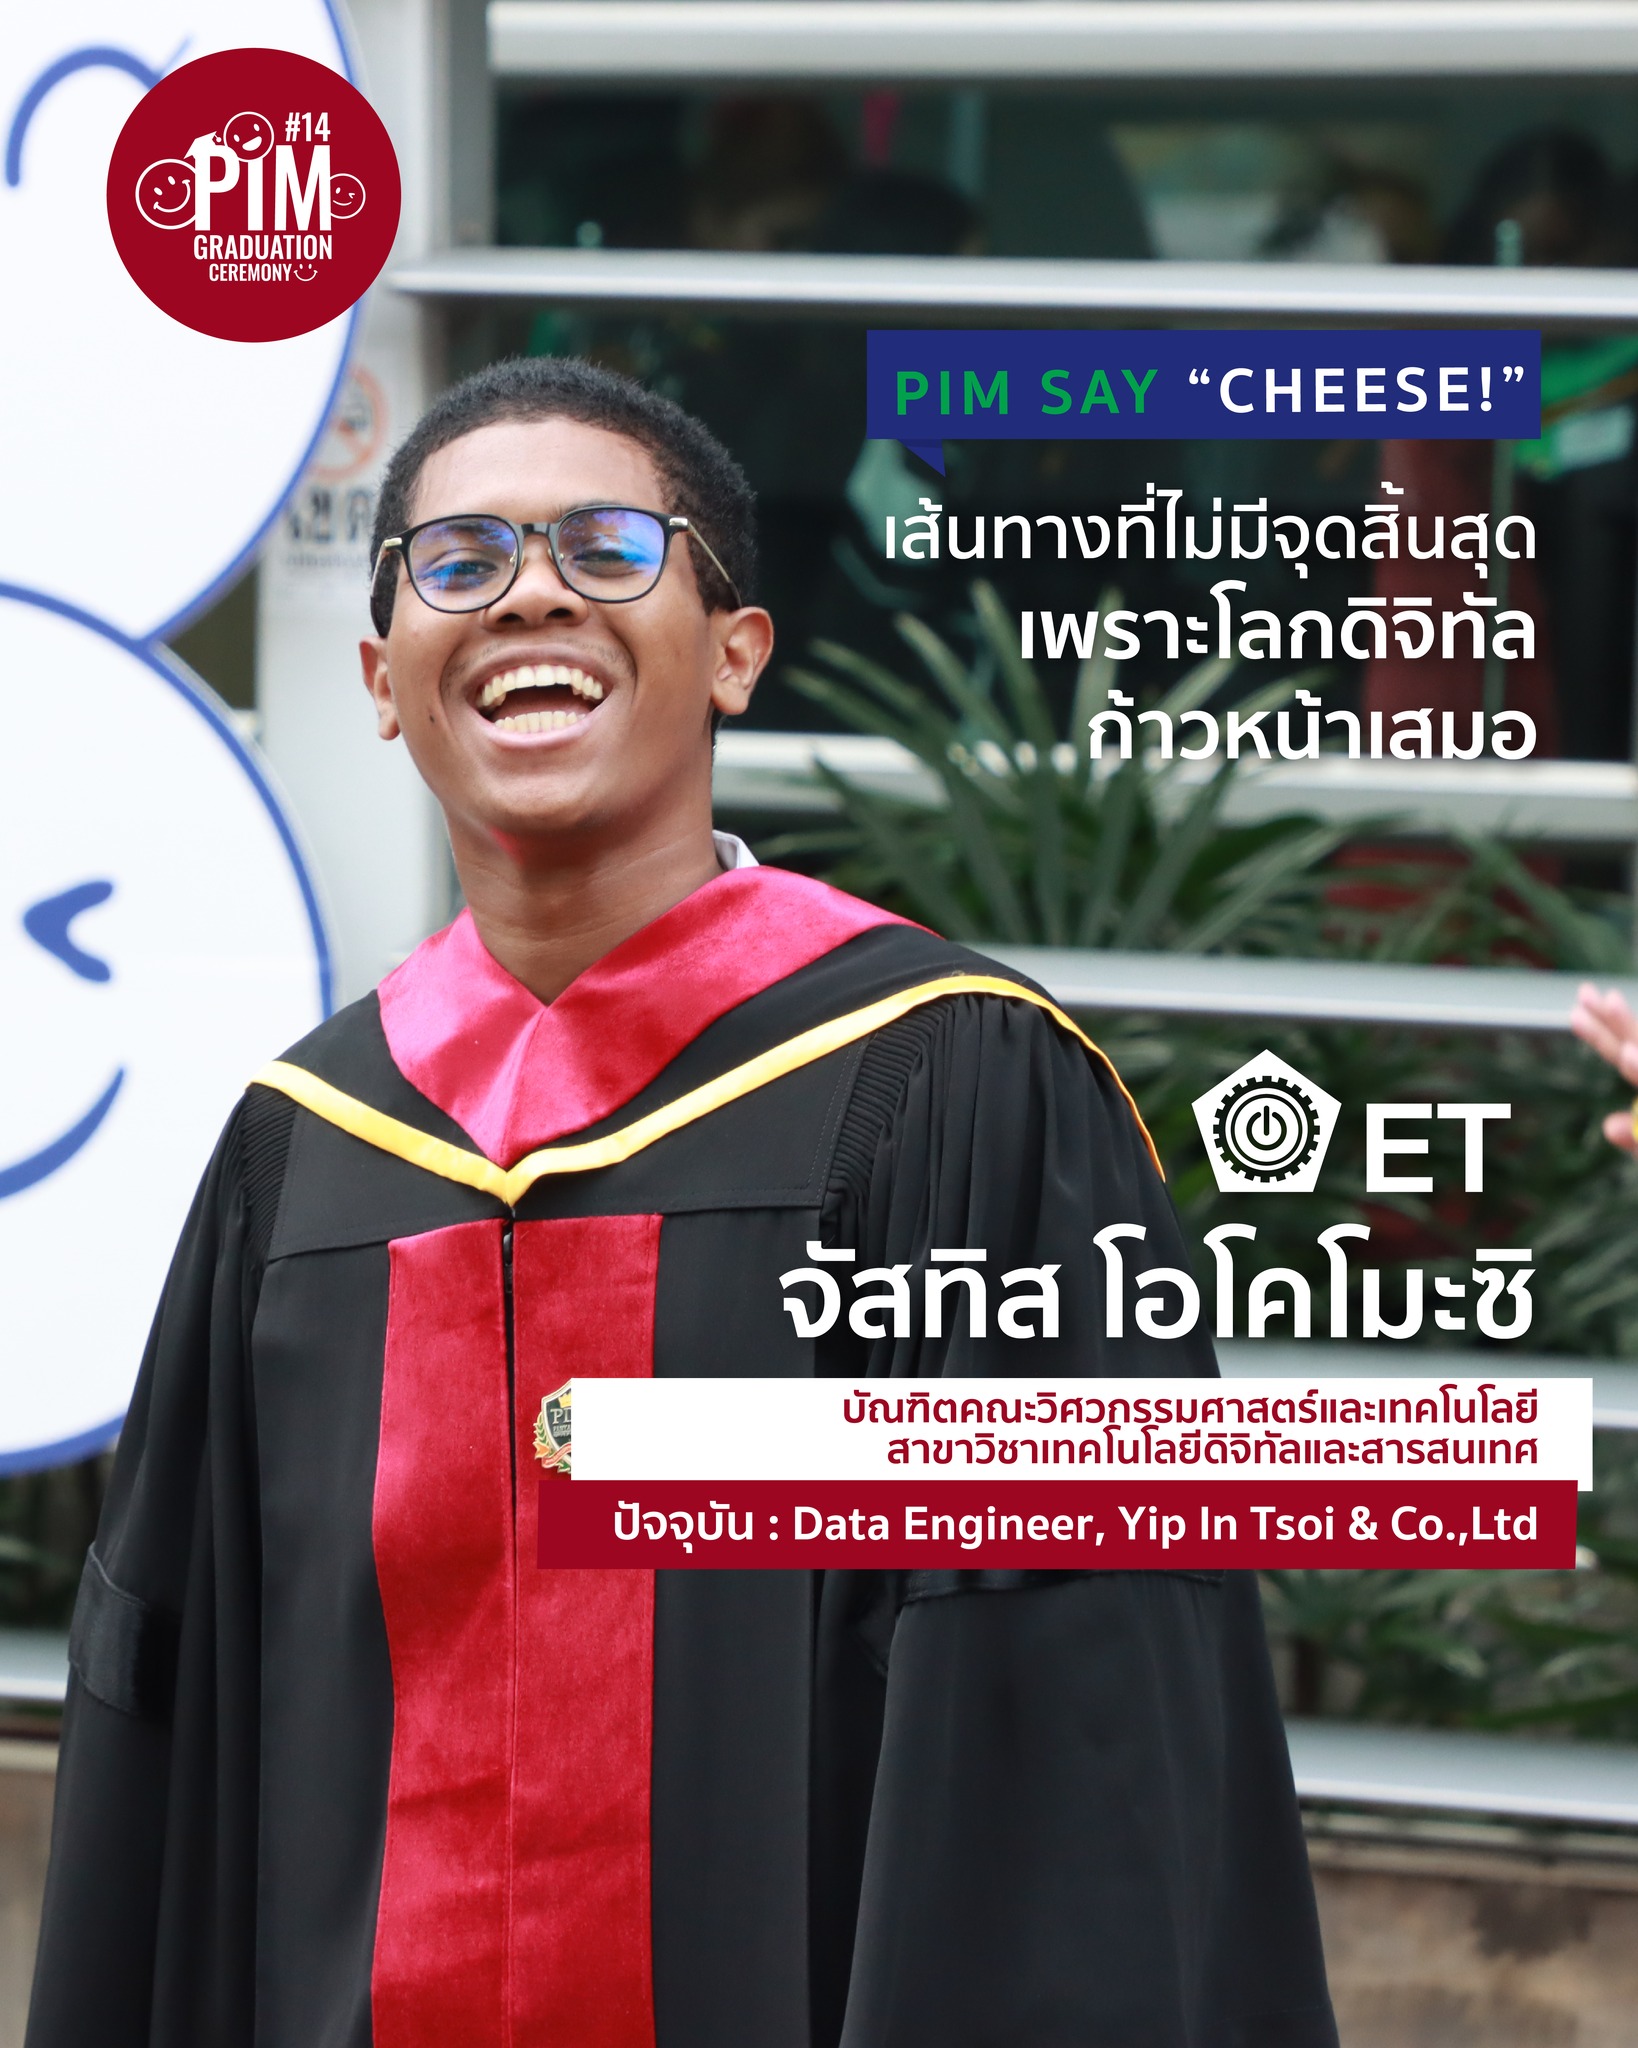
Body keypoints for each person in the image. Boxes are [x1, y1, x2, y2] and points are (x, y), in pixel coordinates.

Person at [26, 357, 1337, 2048]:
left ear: (734, 651)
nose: (530, 595)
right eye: (460, 560)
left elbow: (1074, 1731)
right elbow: (173, 1739)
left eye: (606, 546)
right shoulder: (306, 1153)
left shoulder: (955, 1087)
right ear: (380, 676)